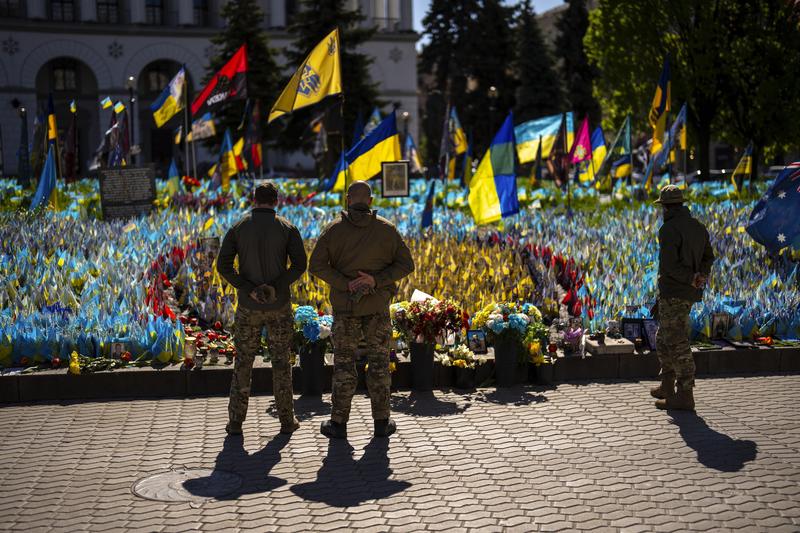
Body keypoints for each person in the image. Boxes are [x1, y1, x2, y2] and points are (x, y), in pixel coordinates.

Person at [309, 181, 414, 439]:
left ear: (347, 200)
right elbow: (406, 264)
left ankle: (338, 423)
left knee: (344, 365)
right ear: (370, 201)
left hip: (346, 310)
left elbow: (316, 266)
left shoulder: (333, 231)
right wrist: (376, 280)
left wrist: (346, 283)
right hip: (377, 307)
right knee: (379, 364)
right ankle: (381, 423)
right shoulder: (386, 230)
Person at [217, 182, 307, 436]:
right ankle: (287, 421)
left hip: (248, 306)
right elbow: (300, 264)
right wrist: (276, 286)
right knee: (281, 363)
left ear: (253, 199)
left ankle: (236, 421)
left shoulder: (238, 228)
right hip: (278, 305)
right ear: (276, 201)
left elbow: (223, 265)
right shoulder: (287, 228)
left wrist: (248, 288)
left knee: (243, 362)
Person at [651, 184, 714, 411]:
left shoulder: (668, 230)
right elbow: (709, 256)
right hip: (687, 292)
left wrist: (691, 278)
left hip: (675, 291)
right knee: (662, 337)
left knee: (676, 341)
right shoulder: (698, 227)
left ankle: (685, 394)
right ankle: (667, 384)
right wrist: (700, 276)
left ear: (666, 207)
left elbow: (669, 266)